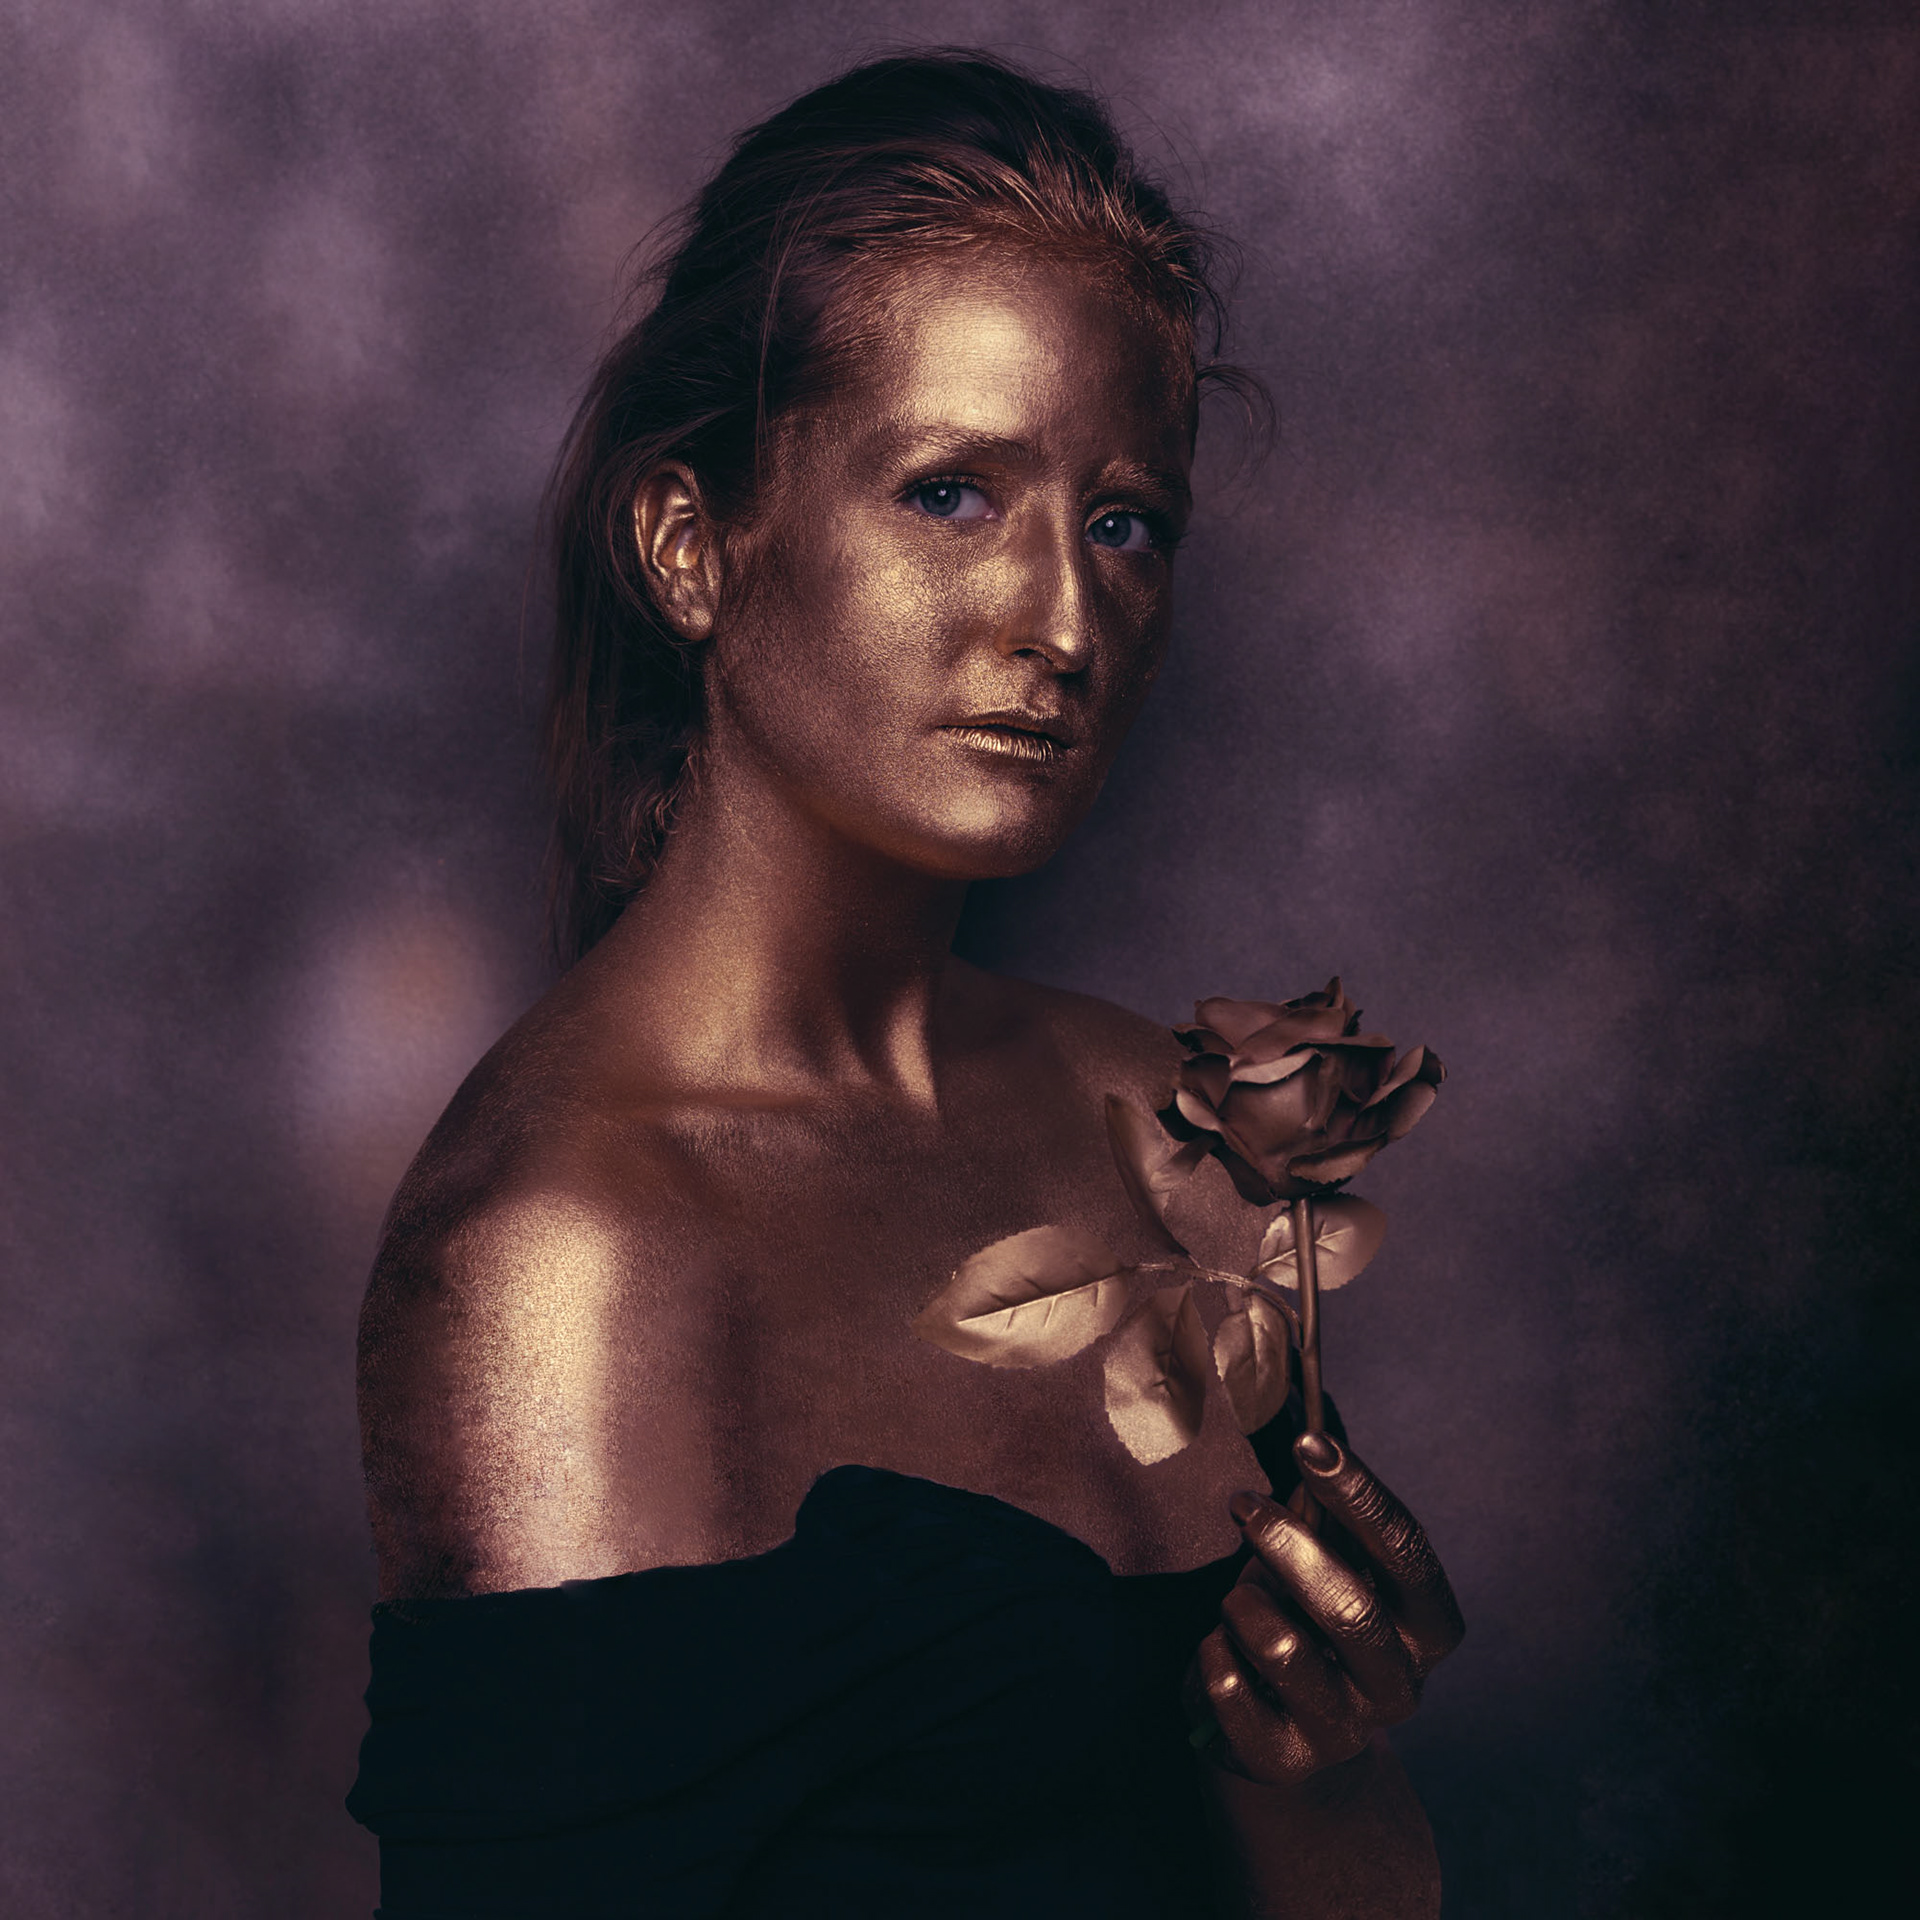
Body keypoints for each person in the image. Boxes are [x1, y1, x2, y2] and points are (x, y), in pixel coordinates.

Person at [348, 49, 1463, 1919]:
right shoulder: (570, 1256)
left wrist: (1313, 1758)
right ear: (691, 546)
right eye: (952, 493)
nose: (1064, 621)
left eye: (1125, 522)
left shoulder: (1165, 1128)